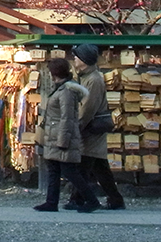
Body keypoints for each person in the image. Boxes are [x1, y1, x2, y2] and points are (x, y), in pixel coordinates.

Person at [34, 57, 100, 213]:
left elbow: (67, 117)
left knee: (69, 171)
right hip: (55, 135)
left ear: (54, 73)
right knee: (54, 170)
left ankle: (92, 200)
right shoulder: (61, 89)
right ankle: (51, 202)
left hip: (61, 137)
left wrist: (62, 140)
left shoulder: (66, 91)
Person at [67, 44, 124, 211]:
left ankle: (77, 199)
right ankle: (115, 199)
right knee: (100, 167)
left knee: (84, 165)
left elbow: (87, 108)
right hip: (92, 128)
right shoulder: (87, 77)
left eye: (77, 56)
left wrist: (76, 127)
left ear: (84, 60)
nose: (74, 59)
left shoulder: (93, 79)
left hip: (91, 129)